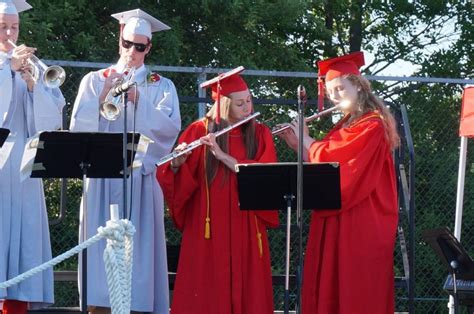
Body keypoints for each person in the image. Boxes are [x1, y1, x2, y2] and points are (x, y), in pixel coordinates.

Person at [69, 8, 181, 314]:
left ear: (149, 48)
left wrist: (138, 101)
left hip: (139, 179)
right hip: (102, 179)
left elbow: (169, 131)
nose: (132, 52)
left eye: (140, 46)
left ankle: (139, 307)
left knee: (139, 258)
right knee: (99, 252)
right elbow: (78, 130)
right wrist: (103, 96)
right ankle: (98, 307)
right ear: (119, 40)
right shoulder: (95, 80)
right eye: (128, 43)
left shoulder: (161, 86)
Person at [278, 51, 399, 313]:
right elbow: (326, 164)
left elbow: (341, 163)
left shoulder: (372, 125)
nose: (335, 96)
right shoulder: (348, 124)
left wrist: (307, 142)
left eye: (340, 88)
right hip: (342, 218)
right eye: (331, 91)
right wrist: (300, 146)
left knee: (357, 291)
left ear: (358, 85)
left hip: (362, 222)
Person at [156, 68, 278, 314]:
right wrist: (178, 164)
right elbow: (173, 176)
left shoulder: (260, 133)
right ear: (224, 105)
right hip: (209, 225)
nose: (247, 107)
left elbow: (268, 175)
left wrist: (222, 156)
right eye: (240, 103)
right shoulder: (199, 131)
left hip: (247, 223)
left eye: (249, 101)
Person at [0, 0, 66, 313]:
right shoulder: (7, 63)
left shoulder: (31, 65)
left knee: (23, 253)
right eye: (3, 27)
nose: (10, 33)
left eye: (15, 27)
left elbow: (52, 121)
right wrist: (6, 70)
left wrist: (32, 87)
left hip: (25, 169)